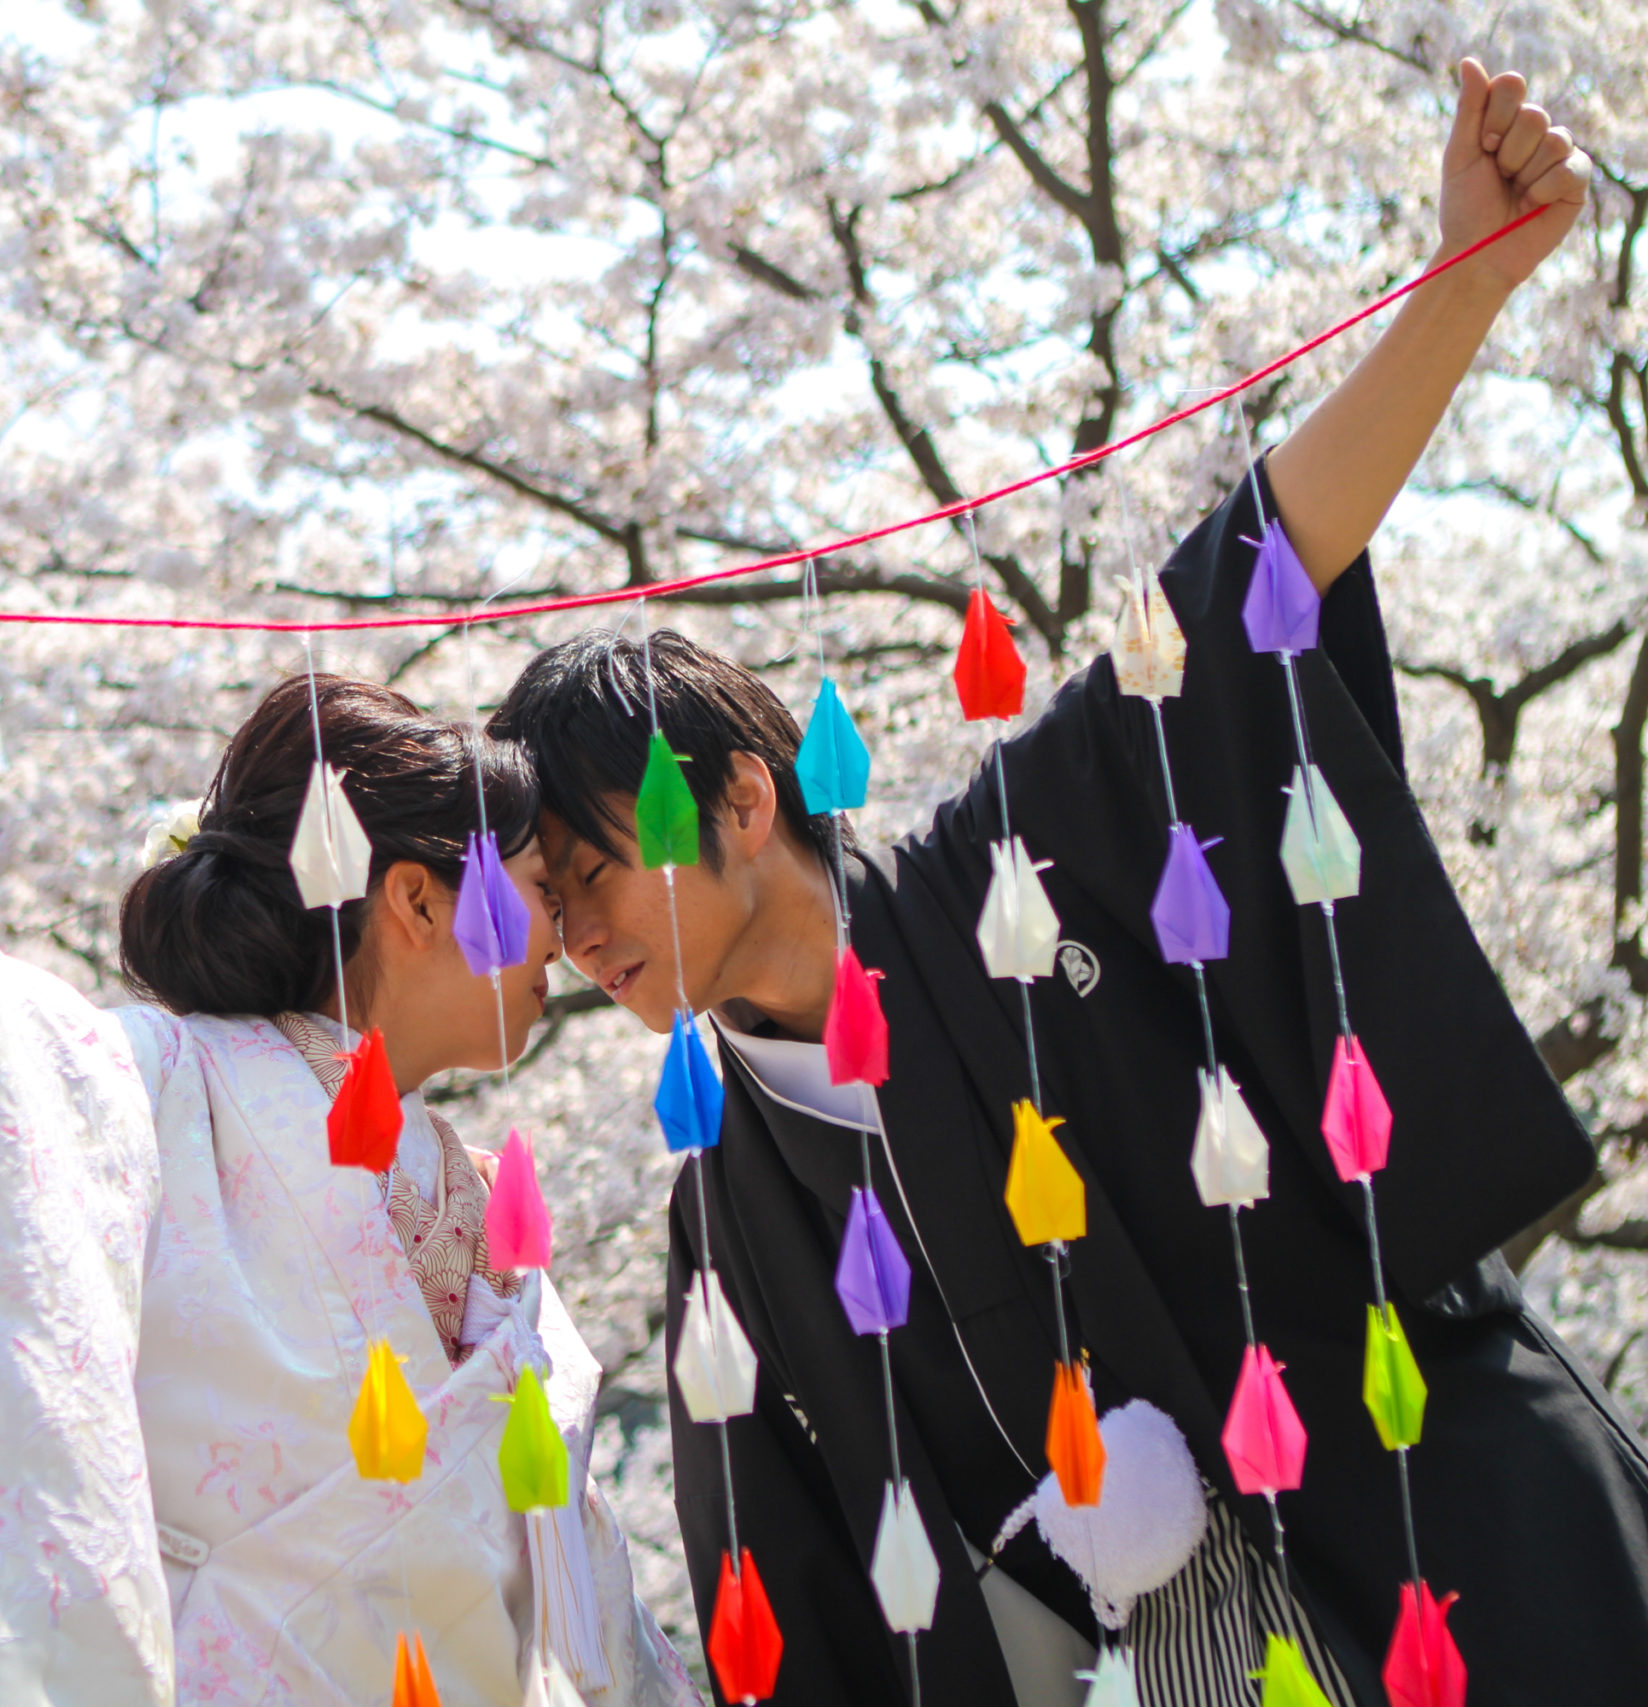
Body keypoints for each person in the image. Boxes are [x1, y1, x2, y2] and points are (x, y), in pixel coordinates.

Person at [489, 59, 1645, 1707]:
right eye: (551, 903)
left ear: (744, 799)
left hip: (1428, 1515)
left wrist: (1466, 279)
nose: (580, 932)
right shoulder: (726, 1196)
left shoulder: (1017, 863)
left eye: (596, 866)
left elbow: (1255, 582)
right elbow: (800, 1578)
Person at [0, 620, 698, 1707]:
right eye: (540, 886)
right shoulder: (164, 1086)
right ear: (415, 900)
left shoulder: (486, 1201)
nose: (563, 932)